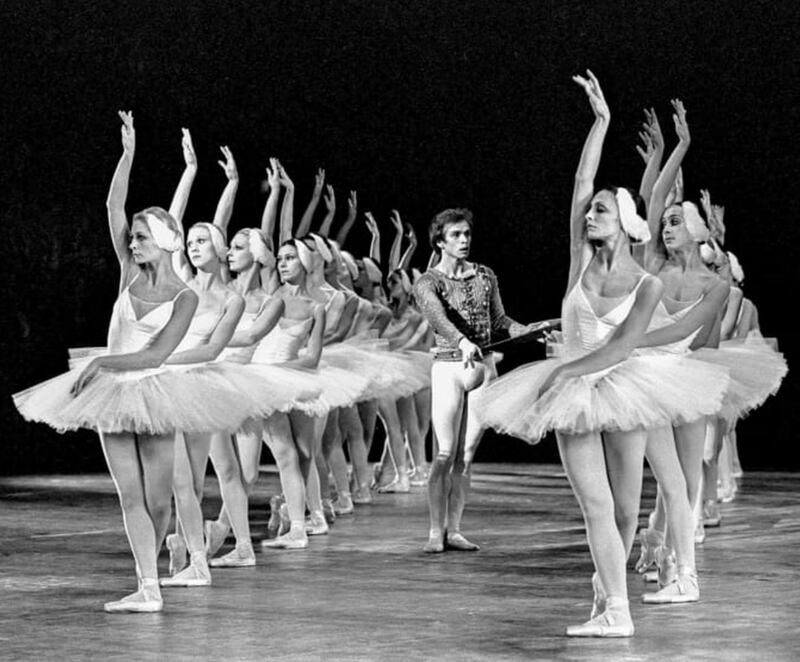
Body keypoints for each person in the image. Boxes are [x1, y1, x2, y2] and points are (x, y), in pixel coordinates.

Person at [475, 73, 728, 637]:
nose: (590, 216)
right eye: (589, 212)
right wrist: (601, 121)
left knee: (623, 508)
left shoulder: (648, 285)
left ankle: (620, 596)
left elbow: (622, 345)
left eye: (601, 212)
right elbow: (582, 178)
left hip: (619, 383)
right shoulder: (578, 259)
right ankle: (615, 606)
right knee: (594, 506)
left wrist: (562, 368)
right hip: (576, 391)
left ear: (625, 222)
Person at [12, 112, 254, 612]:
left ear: (163, 240)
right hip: (113, 397)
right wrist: (127, 155)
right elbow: (112, 205)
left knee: (161, 500)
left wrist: (101, 364)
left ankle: (160, 568)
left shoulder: (184, 296)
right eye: (132, 237)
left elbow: (157, 354)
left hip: (155, 392)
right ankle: (148, 585)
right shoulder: (127, 273)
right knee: (129, 497)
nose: (132, 242)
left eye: (142, 236)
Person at [414, 207, 540, 555]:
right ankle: (434, 530)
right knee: (443, 453)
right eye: (456, 235)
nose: (464, 240)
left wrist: (525, 331)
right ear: (440, 241)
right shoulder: (428, 282)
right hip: (449, 368)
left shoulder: (485, 275)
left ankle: (454, 529)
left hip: (482, 368)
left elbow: (499, 320)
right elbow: (438, 318)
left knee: (465, 458)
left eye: (467, 234)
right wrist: (461, 341)